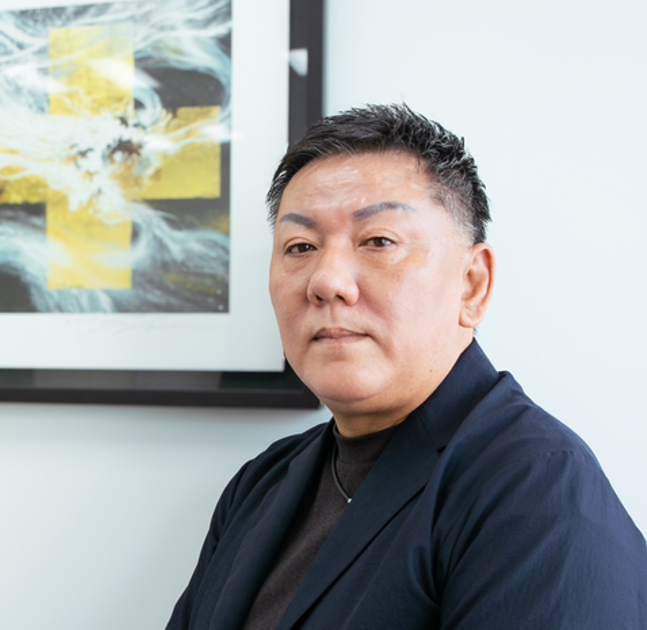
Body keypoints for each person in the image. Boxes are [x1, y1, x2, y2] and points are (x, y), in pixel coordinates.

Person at [165, 104, 647, 630]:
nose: (327, 282)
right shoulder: (262, 484)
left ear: (472, 284)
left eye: (378, 241)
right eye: (300, 246)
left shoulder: (538, 489)